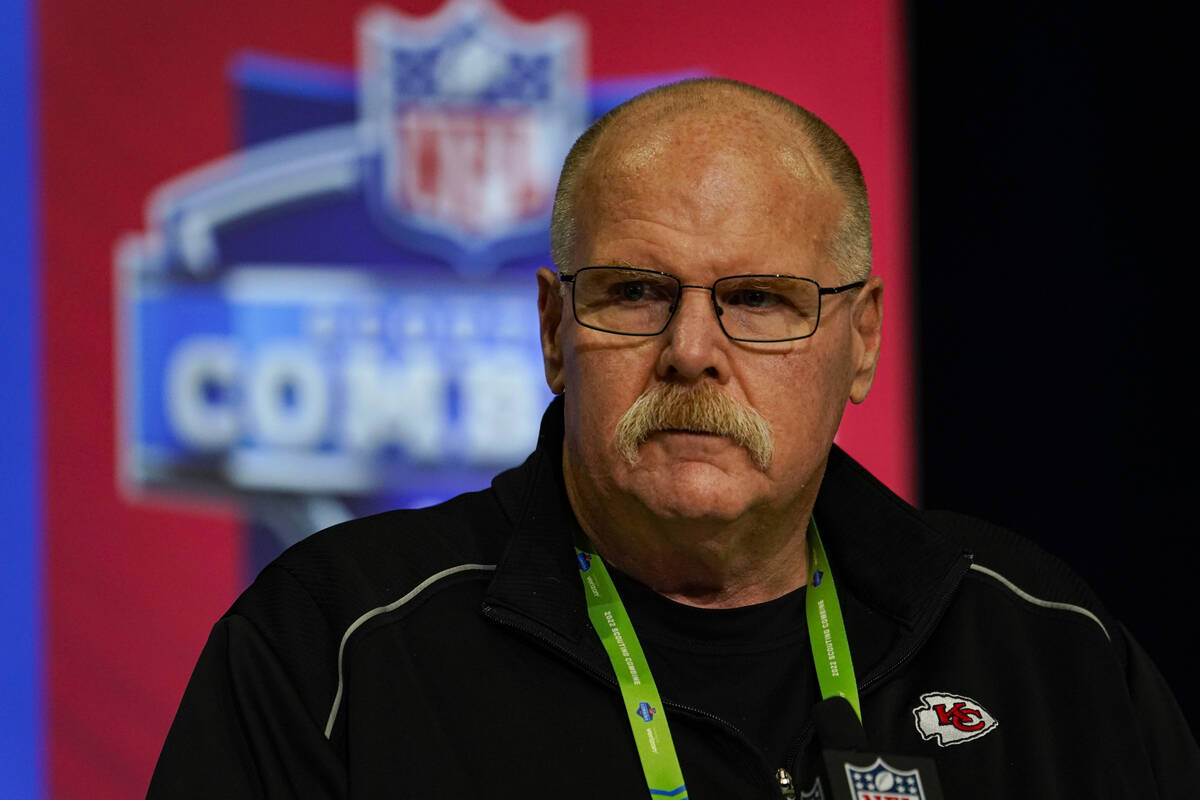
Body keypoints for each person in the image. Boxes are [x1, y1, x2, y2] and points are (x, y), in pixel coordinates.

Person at [148, 78, 1199, 799]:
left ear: (861, 340)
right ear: (557, 330)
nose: (692, 348)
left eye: (760, 298)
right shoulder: (333, 645)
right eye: (637, 291)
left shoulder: (1043, 646)